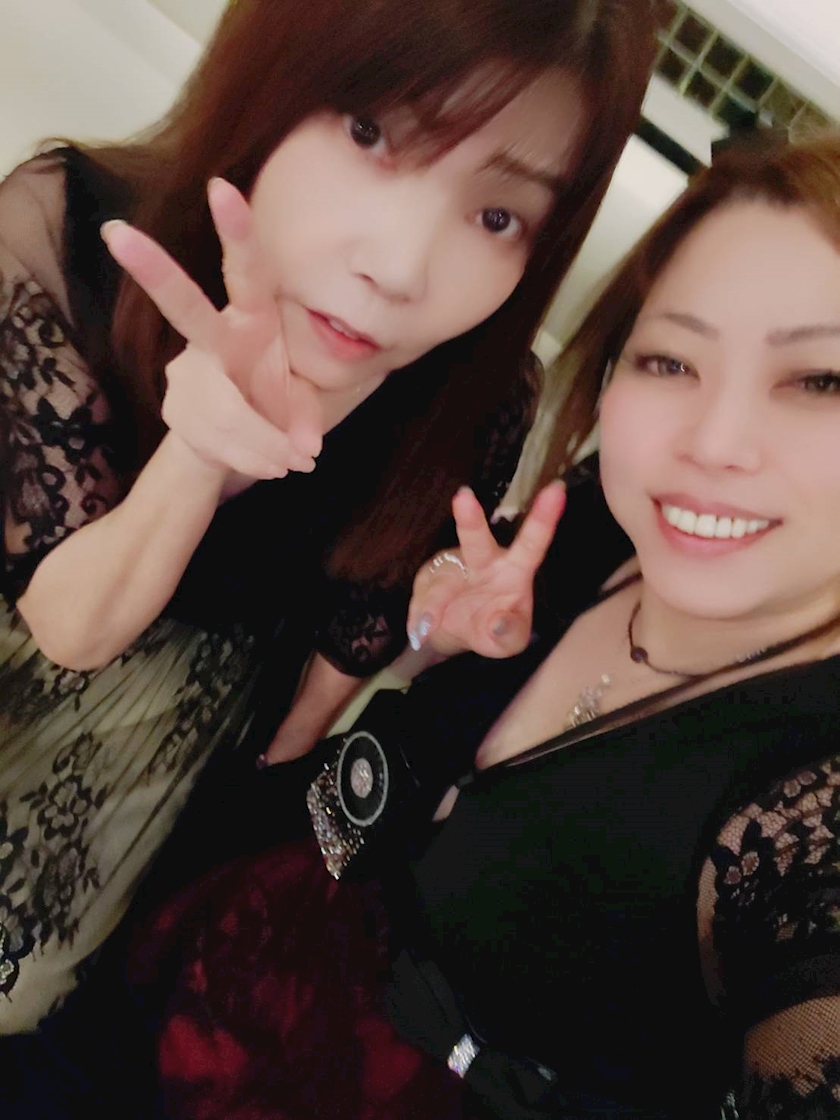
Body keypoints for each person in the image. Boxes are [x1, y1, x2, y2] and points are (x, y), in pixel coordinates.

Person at [135, 132, 840, 1120]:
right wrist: (439, 619)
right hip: (212, 963)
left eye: (821, 382)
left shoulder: (809, 815)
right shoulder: (602, 516)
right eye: (671, 359)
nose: (713, 443)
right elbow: (450, 604)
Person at [0, 0, 657, 1031]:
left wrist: (437, 637)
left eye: (497, 216)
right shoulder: (65, 231)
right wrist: (197, 457)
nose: (398, 269)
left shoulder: (473, 397)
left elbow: (308, 710)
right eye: (369, 132)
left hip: (174, 766)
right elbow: (66, 625)